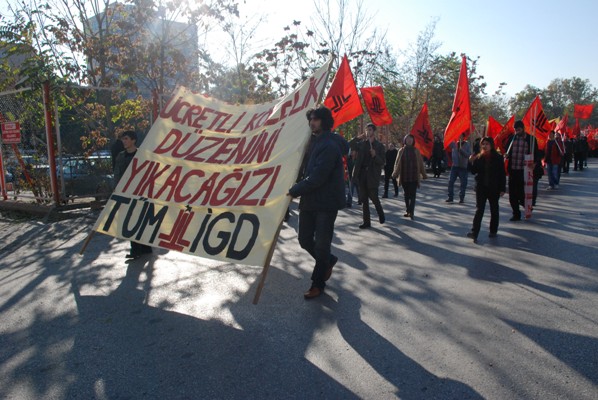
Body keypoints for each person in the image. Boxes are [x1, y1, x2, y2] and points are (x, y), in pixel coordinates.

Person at [288, 106, 346, 299]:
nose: (312, 122)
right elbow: (304, 169)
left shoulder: (329, 145)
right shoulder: (312, 142)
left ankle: (317, 284)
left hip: (326, 203)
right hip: (310, 200)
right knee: (304, 239)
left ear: (324, 121)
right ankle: (329, 260)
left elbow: (318, 176)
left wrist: (295, 190)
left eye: (316, 119)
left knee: (321, 245)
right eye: (310, 119)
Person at [113, 130, 153, 259]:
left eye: (126, 139)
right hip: (127, 193)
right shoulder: (121, 156)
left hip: (141, 192)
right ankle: (135, 250)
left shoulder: (142, 154)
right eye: (123, 139)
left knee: (141, 220)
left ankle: (145, 248)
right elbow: (117, 174)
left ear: (133, 140)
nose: (124, 141)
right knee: (130, 220)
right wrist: (117, 190)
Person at [466, 137, 506, 242]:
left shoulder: (498, 157)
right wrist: (470, 161)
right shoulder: (479, 157)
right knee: (479, 210)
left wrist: (502, 188)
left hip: (494, 188)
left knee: (494, 209)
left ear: (491, 145)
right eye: (483, 144)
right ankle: (474, 233)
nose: (484, 146)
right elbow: (473, 171)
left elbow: (502, 174)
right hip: (481, 188)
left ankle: (493, 230)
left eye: (487, 144)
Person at [504, 120, 540, 221]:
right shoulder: (511, 139)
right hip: (513, 170)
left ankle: (526, 205)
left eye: (518, 129)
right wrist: (506, 155)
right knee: (512, 195)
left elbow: (537, 153)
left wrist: (535, 163)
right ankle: (516, 214)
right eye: (515, 129)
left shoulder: (531, 139)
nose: (517, 131)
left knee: (521, 193)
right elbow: (507, 151)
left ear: (523, 128)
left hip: (524, 171)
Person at [353, 123, 386, 229]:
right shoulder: (361, 144)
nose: (368, 132)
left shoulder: (379, 146)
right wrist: (354, 175)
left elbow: (382, 162)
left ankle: (381, 214)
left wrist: (375, 155)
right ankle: (366, 222)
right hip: (362, 174)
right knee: (364, 200)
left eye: (370, 130)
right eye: (366, 130)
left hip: (373, 175)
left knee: (374, 197)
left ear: (374, 131)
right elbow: (351, 146)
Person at [392, 134, 427, 220]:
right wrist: (395, 173)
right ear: (405, 140)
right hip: (404, 176)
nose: (409, 140)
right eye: (408, 139)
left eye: (411, 139)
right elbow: (397, 163)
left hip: (414, 176)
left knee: (413, 195)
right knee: (406, 195)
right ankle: (408, 210)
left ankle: (411, 212)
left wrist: (423, 174)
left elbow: (420, 163)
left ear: (413, 141)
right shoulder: (401, 151)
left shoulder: (416, 151)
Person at [446, 133, 471, 203]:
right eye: (458, 136)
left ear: (463, 137)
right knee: (451, 181)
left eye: (461, 136)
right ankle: (450, 197)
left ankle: (461, 198)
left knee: (463, 183)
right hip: (455, 166)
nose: (459, 137)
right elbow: (447, 142)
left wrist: (461, 150)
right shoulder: (454, 144)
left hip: (463, 167)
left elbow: (469, 155)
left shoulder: (467, 144)